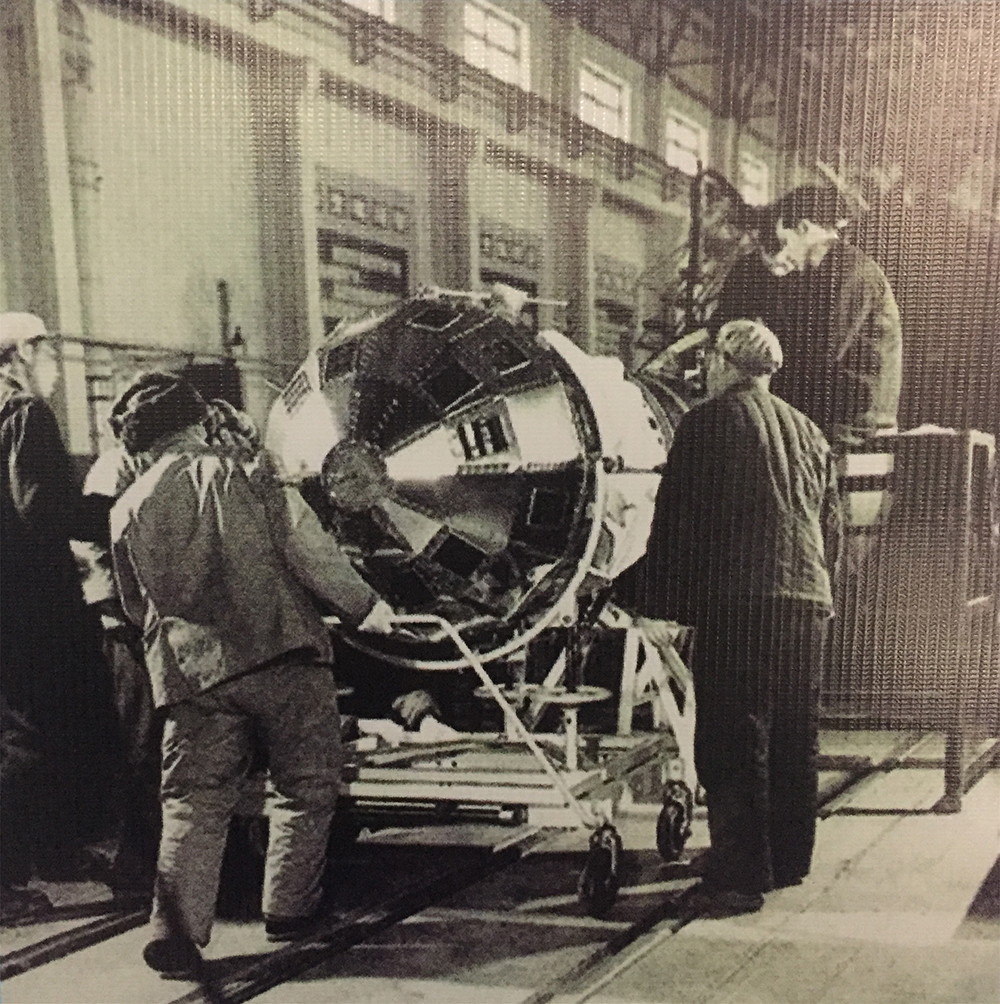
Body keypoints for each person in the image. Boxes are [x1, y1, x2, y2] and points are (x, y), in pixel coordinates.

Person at [107, 372, 395, 978]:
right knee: (305, 783)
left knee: (191, 800)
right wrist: (366, 606)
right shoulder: (243, 470)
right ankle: (289, 910)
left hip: (193, 674)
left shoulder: (125, 507)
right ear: (197, 421)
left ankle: (174, 931)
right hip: (281, 652)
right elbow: (304, 545)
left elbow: (135, 606)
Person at [634, 318, 842, 918]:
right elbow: (829, 529)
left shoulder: (705, 423)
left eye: (709, 361)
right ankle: (789, 857)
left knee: (733, 733)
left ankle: (741, 871)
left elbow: (677, 518)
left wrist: (651, 597)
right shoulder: (809, 429)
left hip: (742, 600)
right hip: (807, 600)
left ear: (725, 363)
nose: (705, 371)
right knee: (794, 732)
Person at [0, 313, 117, 921]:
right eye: (44, 351)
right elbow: (40, 507)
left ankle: (52, 853)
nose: (52, 365)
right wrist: (114, 509)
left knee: (26, 731)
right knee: (30, 737)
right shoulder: (24, 412)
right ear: (21, 353)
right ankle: (6, 880)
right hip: (31, 607)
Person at [709, 185, 903, 451]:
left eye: (783, 243)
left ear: (804, 228)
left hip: (849, 425)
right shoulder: (813, 271)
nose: (780, 259)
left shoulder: (853, 273)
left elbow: (818, 355)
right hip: (818, 414)